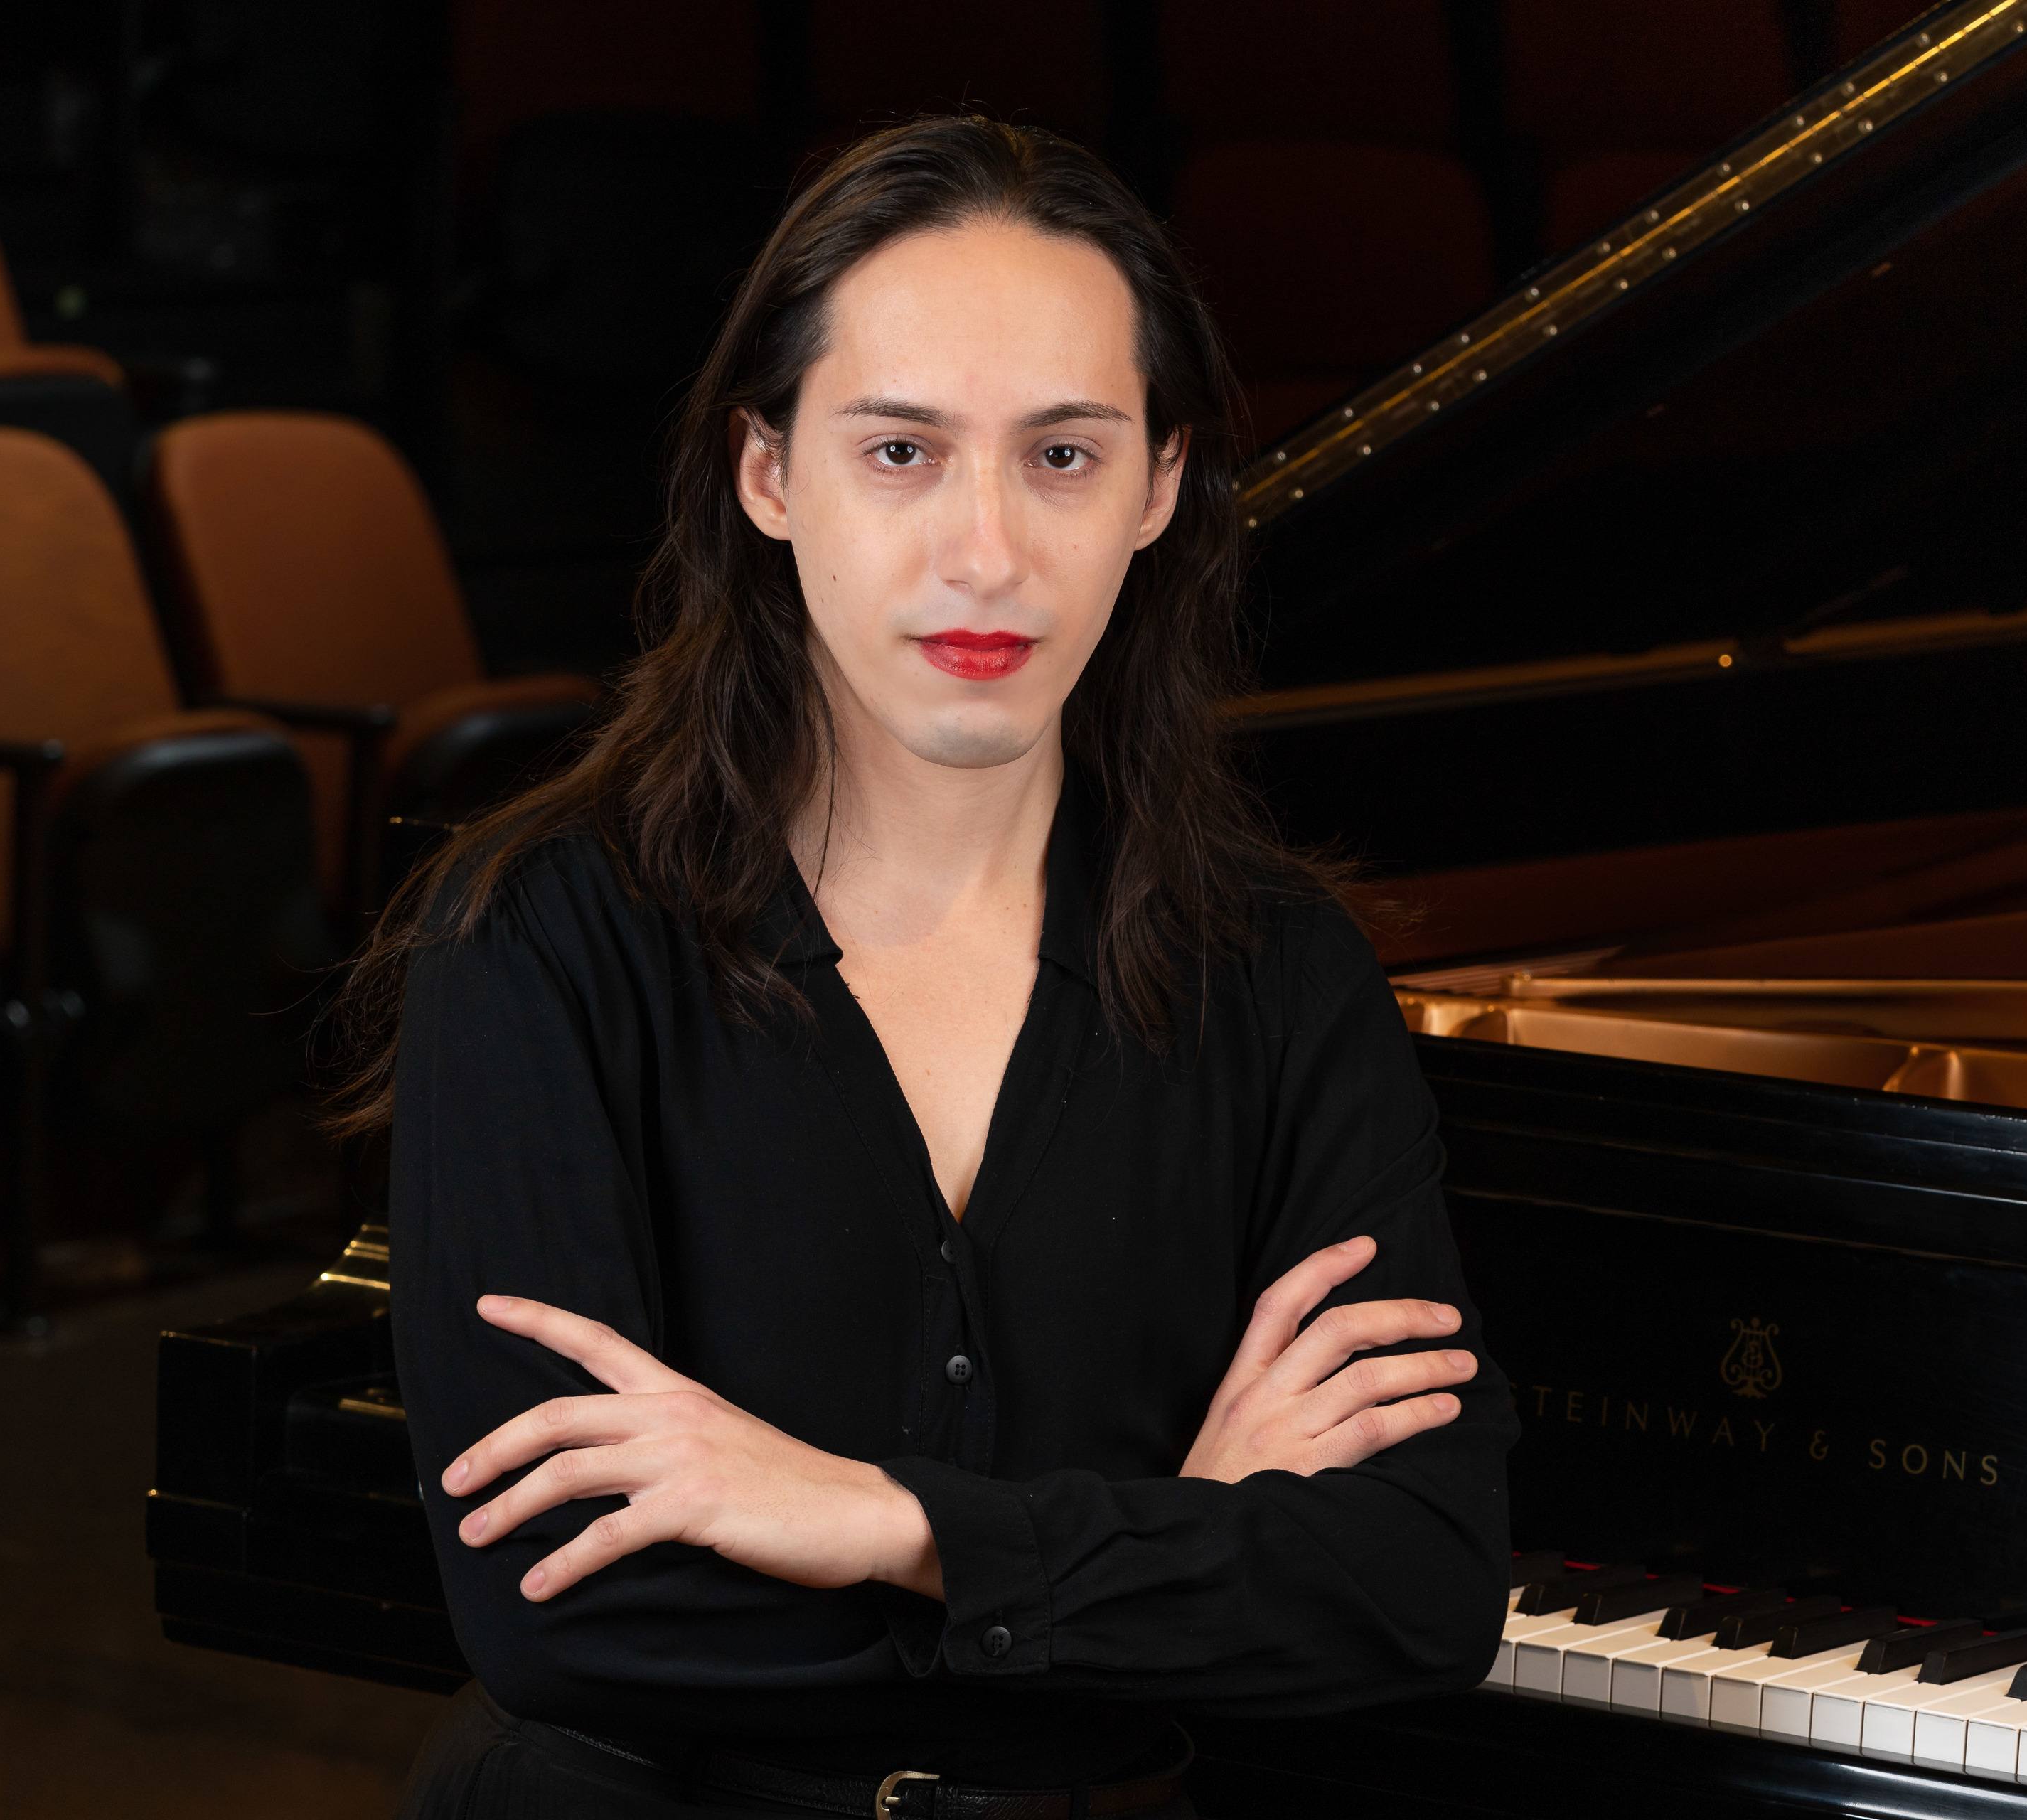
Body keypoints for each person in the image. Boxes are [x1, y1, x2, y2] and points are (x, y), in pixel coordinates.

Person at [326, 116, 1516, 1819]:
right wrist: (1174, 1541)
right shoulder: (539, 940)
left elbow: (1412, 1584)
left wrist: (877, 1520)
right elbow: (572, 1620)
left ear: (1160, 487)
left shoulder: (1281, 973)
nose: (984, 553)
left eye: (1062, 457)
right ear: (768, 474)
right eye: (899, 451)